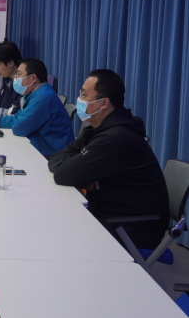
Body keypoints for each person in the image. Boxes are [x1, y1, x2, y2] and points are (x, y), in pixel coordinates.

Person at [48, 69, 169, 249]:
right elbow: (57, 156)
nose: (79, 99)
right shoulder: (98, 128)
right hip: (113, 213)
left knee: (56, 231)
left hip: (133, 227)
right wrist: (82, 170)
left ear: (103, 103)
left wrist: (79, 169)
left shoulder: (114, 137)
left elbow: (63, 175)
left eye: (84, 95)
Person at [0, 58, 74, 157]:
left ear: (33, 78)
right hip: (40, 146)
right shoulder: (34, 93)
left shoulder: (43, 97)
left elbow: (20, 128)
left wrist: (13, 121)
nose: (15, 78)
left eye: (19, 74)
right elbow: (17, 118)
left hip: (51, 154)